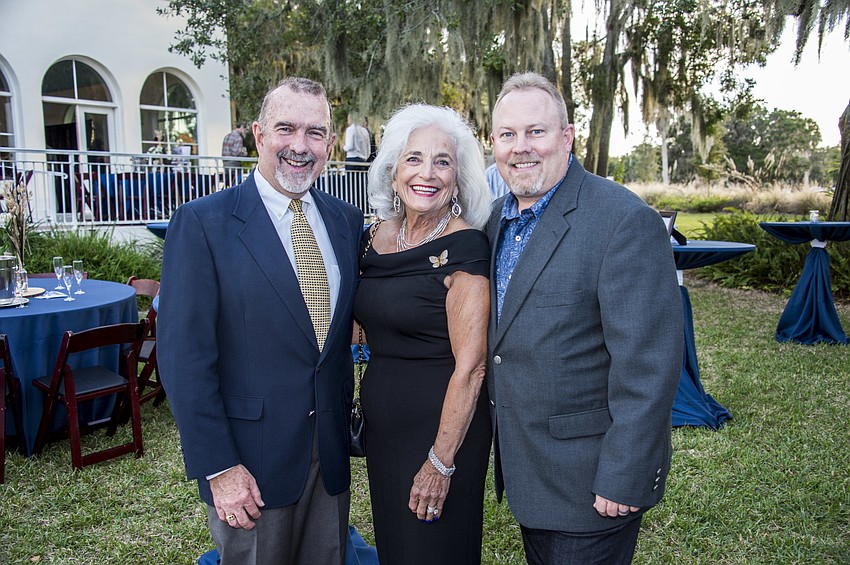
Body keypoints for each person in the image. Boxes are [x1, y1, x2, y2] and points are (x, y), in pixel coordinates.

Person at [158, 77, 364, 565]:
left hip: (328, 457)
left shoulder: (345, 221)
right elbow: (184, 359)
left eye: (315, 133)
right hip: (249, 465)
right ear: (258, 134)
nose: (300, 146)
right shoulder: (203, 224)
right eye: (285, 128)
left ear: (330, 144)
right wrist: (219, 467)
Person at [486, 71, 683, 564]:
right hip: (530, 474)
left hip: (592, 484)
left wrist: (626, 475)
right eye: (507, 135)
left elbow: (649, 365)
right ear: (493, 143)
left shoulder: (622, 220)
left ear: (567, 137)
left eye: (536, 131)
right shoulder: (494, 220)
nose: (520, 147)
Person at [353, 103, 493, 564]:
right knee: (397, 549)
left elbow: (471, 369)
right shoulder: (373, 240)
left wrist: (440, 461)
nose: (426, 173)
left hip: (440, 436)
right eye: (414, 159)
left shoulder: (466, 247)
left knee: (434, 552)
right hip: (382, 432)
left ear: (458, 179)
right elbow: (363, 320)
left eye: (442, 161)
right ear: (393, 173)